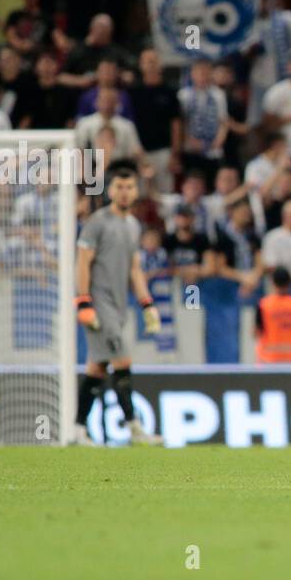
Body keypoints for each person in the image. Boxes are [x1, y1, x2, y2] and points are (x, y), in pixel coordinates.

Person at [73, 162, 163, 446]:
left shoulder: (133, 225)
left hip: (120, 305)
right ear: (110, 190)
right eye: (119, 187)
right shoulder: (97, 222)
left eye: (129, 187)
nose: (124, 193)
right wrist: (83, 301)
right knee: (122, 359)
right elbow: (83, 262)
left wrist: (147, 303)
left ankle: (77, 429)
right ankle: (134, 427)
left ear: (136, 191)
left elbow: (135, 269)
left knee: (97, 367)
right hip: (99, 303)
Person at [254, 266, 291, 363]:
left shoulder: (264, 305)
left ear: (273, 283)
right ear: (290, 282)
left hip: (270, 361)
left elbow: (256, 332)